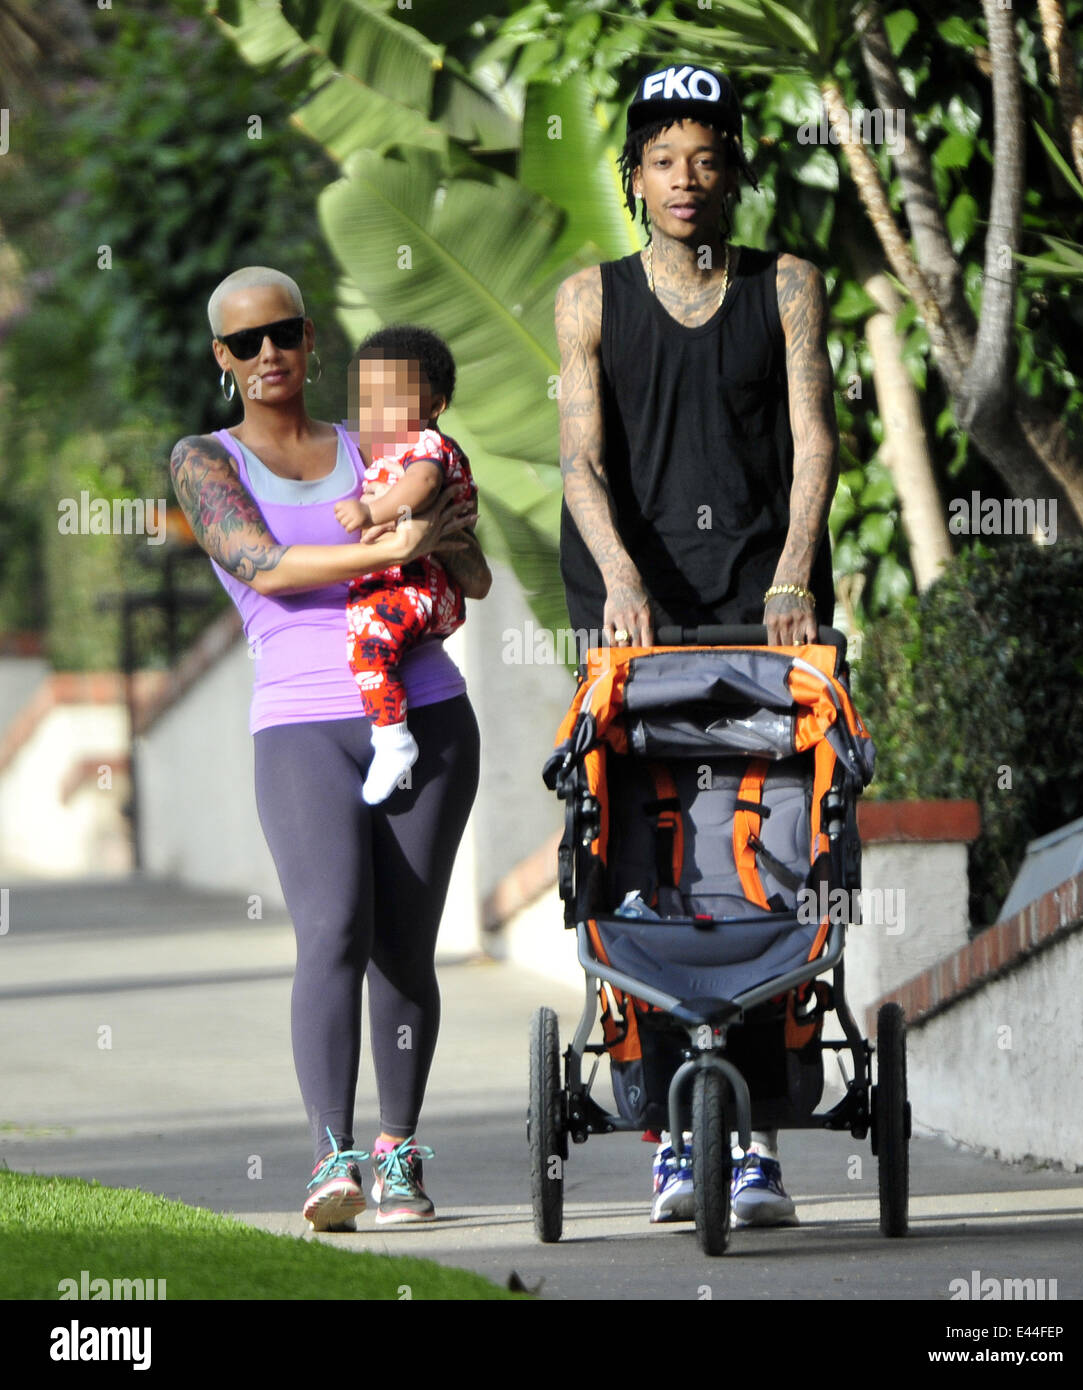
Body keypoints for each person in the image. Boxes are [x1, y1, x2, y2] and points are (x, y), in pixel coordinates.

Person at [556, 64, 839, 1228]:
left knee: (768, 849)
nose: (687, 179)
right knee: (637, 851)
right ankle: (676, 1135)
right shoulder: (588, 298)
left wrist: (788, 575)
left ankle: (757, 1144)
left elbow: (815, 438)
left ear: (734, 172)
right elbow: (582, 461)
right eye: (664, 159)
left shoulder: (787, 287)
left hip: (767, 612)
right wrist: (621, 578)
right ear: (635, 176)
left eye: (707, 157)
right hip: (639, 616)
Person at [169, 266, 491, 1229]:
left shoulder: (383, 446)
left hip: (427, 712)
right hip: (303, 726)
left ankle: (399, 1154)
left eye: (284, 333)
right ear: (222, 360)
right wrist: (392, 549)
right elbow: (260, 565)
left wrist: (442, 531)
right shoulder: (205, 459)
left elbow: (467, 570)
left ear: (310, 340)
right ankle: (330, 1158)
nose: (268, 354)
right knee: (333, 930)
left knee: (403, 947)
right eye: (244, 343)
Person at [334, 328, 478, 805]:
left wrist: (373, 514)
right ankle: (391, 735)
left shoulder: (427, 448)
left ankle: (394, 738)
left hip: (418, 587)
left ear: (433, 405)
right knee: (369, 643)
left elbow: (421, 485)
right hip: (415, 587)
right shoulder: (390, 452)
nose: (378, 411)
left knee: (370, 649)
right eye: (369, 399)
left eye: (394, 397)